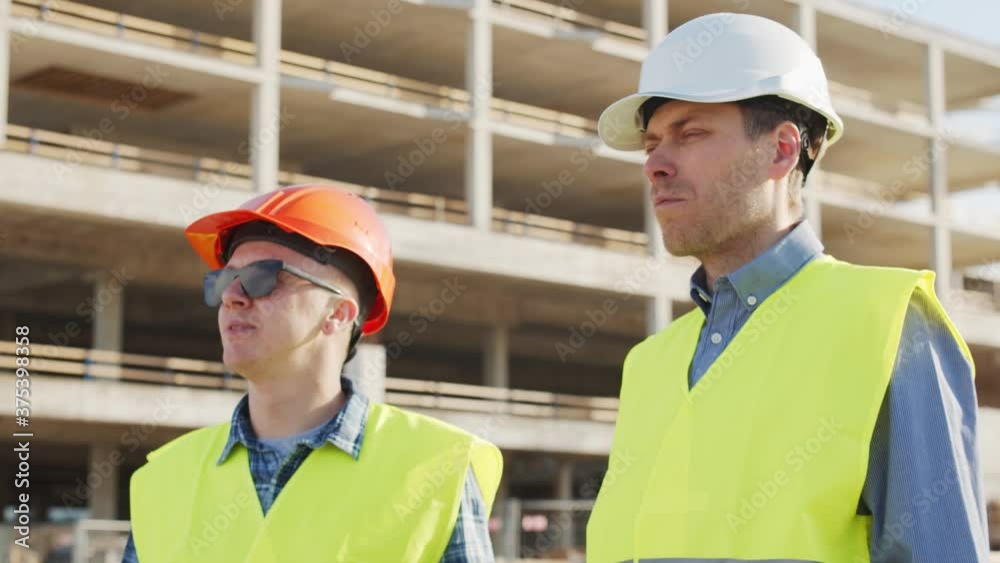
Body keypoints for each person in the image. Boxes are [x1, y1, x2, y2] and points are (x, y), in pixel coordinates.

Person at [586, 13, 989, 562]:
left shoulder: (887, 324)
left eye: (691, 134)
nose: (654, 164)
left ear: (781, 149)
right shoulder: (648, 364)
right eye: (651, 144)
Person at [122, 185, 503, 562]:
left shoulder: (435, 469)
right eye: (224, 280)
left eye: (263, 277)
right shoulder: (162, 480)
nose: (231, 296)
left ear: (337, 314)